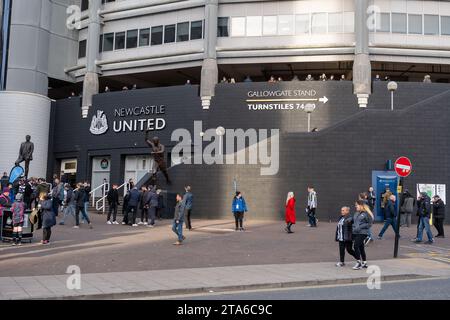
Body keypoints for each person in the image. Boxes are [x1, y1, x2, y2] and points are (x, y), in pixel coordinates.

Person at [352, 200, 373, 270]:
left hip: (363, 233)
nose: (355, 206)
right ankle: (364, 263)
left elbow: (369, 224)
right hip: (356, 232)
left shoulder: (367, 213)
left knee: (355, 245)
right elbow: (354, 221)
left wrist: (361, 226)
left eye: (356, 205)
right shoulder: (356, 213)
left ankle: (358, 262)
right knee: (361, 247)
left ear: (361, 205)